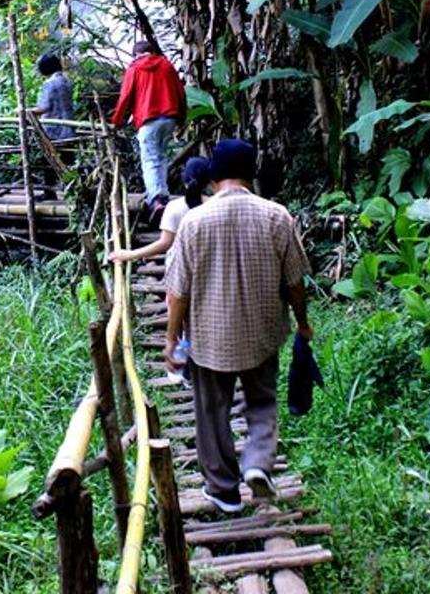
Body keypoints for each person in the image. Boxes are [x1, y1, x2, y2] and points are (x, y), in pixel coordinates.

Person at [163, 139, 313, 514]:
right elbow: (295, 283)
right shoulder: (277, 216)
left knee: (211, 412)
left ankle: (223, 489)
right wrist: (303, 323)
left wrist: (172, 338)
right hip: (262, 333)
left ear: (214, 177)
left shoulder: (194, 221)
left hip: (210, 339)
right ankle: (259, 463)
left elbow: (177, 291)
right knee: (262, 402)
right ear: (251, 174)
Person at [110, 39, 186, 224]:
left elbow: (126, 96)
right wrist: (182, 118)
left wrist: (117, 120)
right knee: (160, 157)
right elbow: (180, 92)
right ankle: (162, 194)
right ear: (152, 52)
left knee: (150, 158)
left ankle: (157, 198)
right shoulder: (167, 65)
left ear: (136, 55)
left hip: (148, 119)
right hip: (169, 117)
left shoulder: (135, 68)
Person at [108, 156, 210, 264]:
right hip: (210, 264)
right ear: (209, 181)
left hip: (180, 266)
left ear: (184, 179)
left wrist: (130, 254)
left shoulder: (174, 207)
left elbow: (164, 243)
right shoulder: (216, 205)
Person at [31, 51, 75, 194]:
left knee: (49, 161)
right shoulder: (66, 81)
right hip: (68, 127)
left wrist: (27, 112)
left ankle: (50, 193)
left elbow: (44, 107)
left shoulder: (49, 84)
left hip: (53, 129)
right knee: (68, 161)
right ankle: (74, 191)